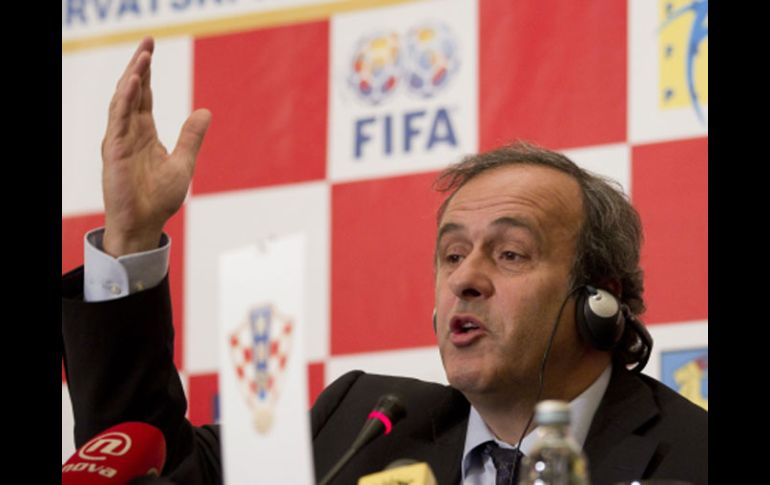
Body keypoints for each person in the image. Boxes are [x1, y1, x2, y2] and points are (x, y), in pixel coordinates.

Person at [62, 37, 708, 484]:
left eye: (510, 253)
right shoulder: (359, 424)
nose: (466, 279)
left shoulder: (690, 455)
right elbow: (151, 463)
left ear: (599, 299)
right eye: (452, 255)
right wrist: (132, 237)